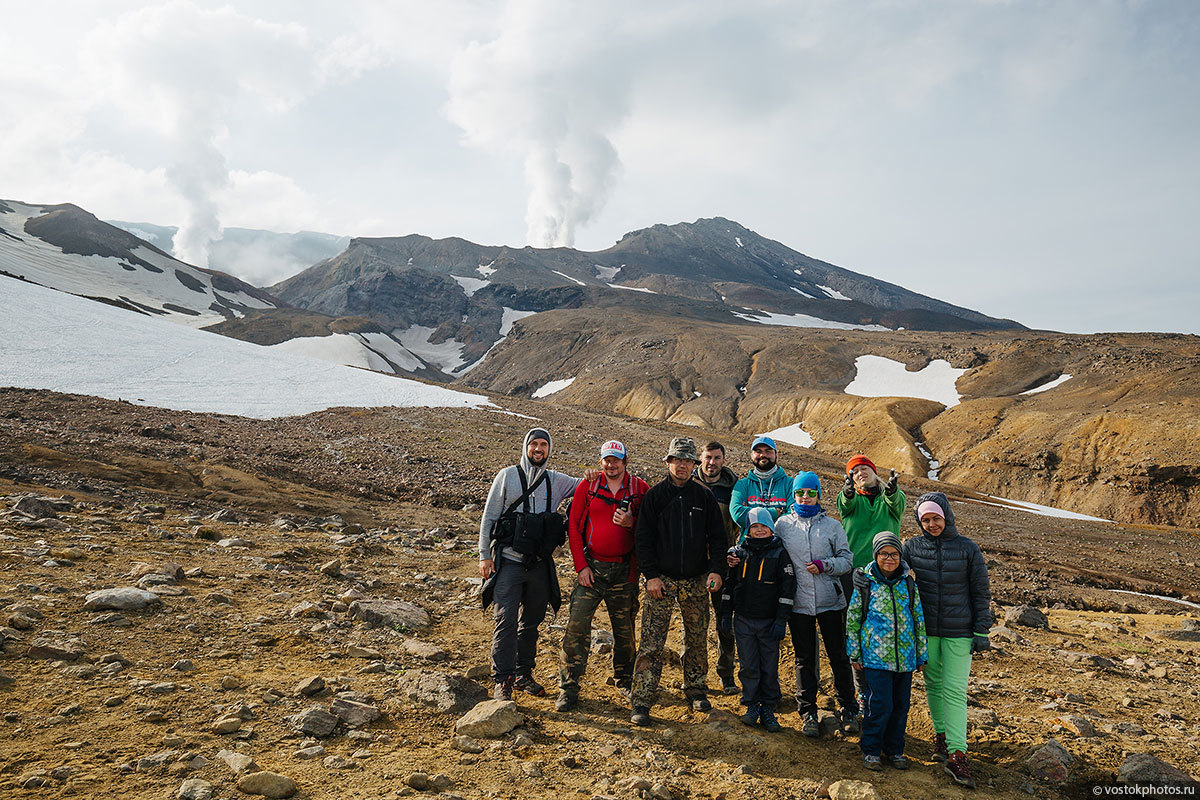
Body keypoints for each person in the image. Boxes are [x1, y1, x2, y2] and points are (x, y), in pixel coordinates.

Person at [629, 436, 727, 726]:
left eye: (688, 461)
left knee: (696, 639)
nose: (682, 466)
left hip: (696, 581)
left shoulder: (704, 497)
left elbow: (718, 538)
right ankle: (643, 699)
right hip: (662, 582)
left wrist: (716, 570)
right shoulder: (655, 496)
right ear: (669, 462)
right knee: (651, 642)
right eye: (677, 460)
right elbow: (643, 539)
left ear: (693, 465)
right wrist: (652, 576)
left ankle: (695, 689)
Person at [479, 428, 582, 701]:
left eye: (543, 445)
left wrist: (604, 471)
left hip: (539, 565)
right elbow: (489, 518)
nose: (538, 449)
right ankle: (503, 679)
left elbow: (587, 486)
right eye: (534, 444)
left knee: (532, 623)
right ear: (525, 447)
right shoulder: (507, 476)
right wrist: (483, 556)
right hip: (509, 563)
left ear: (549, 450)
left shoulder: (557, 481)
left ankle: (523, 674)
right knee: (505, 621)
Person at [901, 492, 992, 789]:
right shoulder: (912, 547)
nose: (931, 524)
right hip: (927, 631)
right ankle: (941, 736)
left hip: (959, 632)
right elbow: (889, 571)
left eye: (936, 518)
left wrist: (981, 630)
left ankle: (957, 753)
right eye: (925, 520)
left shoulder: (967, 549)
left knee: (953, 690)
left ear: (946, 516)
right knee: (932, 684)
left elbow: (980, 591)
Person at [556, 440, 649, 712]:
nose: (611, 464)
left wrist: (632, 523)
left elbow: (652, 528)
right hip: (592, 569)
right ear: (601, 462)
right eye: (607, 460)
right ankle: (569, 686)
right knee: (576, 626)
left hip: (625, 571)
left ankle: (625, 680)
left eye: (616, 459)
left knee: (625, 631)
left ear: (625, 461)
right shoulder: (589, 486)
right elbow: (573, 527)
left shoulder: (640, 489)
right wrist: (580, 566)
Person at [773, 471, 859, 737]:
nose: (806, 497)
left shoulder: (832, 526)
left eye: (811, 492)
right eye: (800, 492)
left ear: (819, 495)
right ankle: (808, 711)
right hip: (798, 604)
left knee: (839, 656)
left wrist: (826, 565)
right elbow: (771, 553)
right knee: (804, 658)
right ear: (794, 494)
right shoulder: (783, 525)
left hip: (831, 601)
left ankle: (848, 707)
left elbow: (847, 560)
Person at [847, 531, 927, 772]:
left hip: (905, 659)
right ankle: (871, 749)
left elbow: (918, 620)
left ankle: (894, 749)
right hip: (875, 658)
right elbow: (853, 620)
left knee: (901, 705)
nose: (889, 558)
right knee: (879, 705)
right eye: (884, 553)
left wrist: (921, 654)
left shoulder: (908, 584)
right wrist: (855, 653)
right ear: (876, 555)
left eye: (894, 553)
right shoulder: (865, 584)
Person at [717, 507, 796, 732]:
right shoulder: (738, 554)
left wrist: (782, 620)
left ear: (771, 528)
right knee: (749, 665)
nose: (759, 530)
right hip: (743, 619)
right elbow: (729, 585)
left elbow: (788, 588)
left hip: (769, 620)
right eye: (755, 527)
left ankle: (769, 707)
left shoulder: (780, 553)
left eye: (764, 526)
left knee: (769, 666)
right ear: (747, 531)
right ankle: (752, 704)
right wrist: (725, 613)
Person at [837, 454, 906, 706]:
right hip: (854, 575)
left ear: (875, 472)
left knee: (882, 632)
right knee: (855, 632)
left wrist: (892, 490)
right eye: (854, 471)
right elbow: (844, 505)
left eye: (864, 468)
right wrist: (848, 493)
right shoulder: (851, 500)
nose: (859, 473)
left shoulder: (891, 500)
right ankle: (862, 692)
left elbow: (896, 504)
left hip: (886, 575)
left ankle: (882, 690)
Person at [693, 440, 740, 695]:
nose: (712, 463)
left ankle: (726, 675)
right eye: (708, 457)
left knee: (725, 622)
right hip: (692, 565)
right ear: (701, 458)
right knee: (694, 623)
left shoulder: (734, 487)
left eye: (717, 458)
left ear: (724, 460)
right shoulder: (688, 483)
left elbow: (741, 522)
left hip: (723, 564)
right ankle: (693, 677)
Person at [730, 435, 791, 541]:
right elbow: (738, 514)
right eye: (758, 451)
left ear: (777, 455)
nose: (763, 455)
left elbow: (793, 519)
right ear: (751, 455)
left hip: (781, 550)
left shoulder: (790, 484)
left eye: (768, 451)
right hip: (748, 549)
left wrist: (751, 514)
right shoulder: (742, 485)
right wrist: (775, 513)